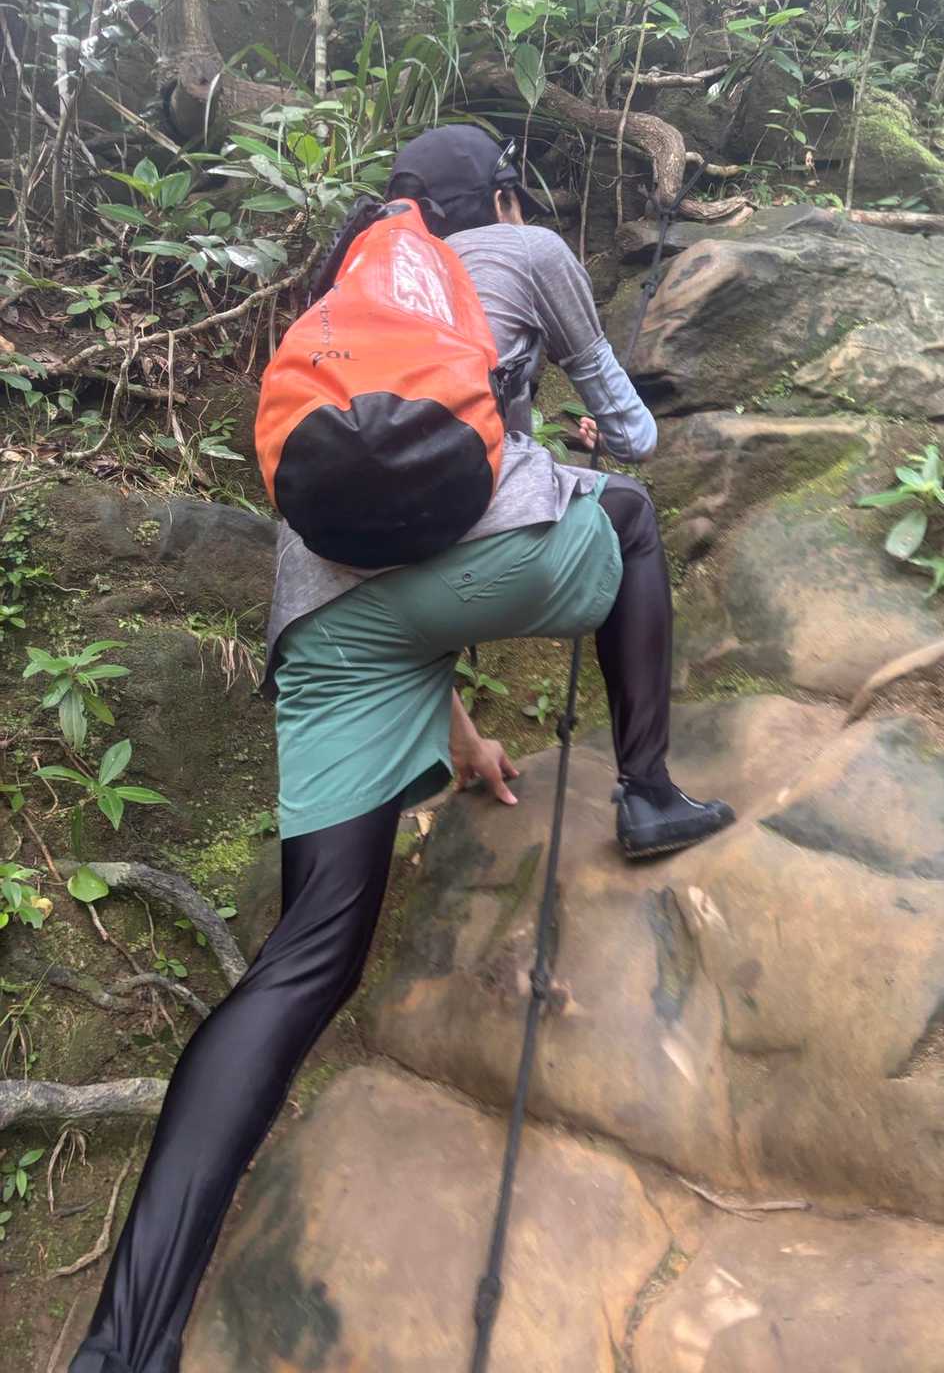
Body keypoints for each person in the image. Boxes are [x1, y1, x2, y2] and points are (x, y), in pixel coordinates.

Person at [69, 126, 734, 1373]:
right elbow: (632, 432)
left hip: (326, 626)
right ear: (498, 196)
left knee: (305, 959)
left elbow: (392, 608)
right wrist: (598, 442)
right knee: (632, 516)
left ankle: (124, 1342)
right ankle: (648, 792)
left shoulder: (342, 300)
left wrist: (463, 741)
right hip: (496, 559)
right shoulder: (525, 250)